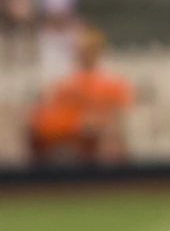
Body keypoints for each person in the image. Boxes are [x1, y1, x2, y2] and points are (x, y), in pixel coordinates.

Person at [27, 26, 134, 165]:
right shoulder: (63, 86)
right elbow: (45, 122)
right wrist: (77, 124)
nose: (85, 54)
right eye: (82, 50)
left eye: (90, 49)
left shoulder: (114, 85)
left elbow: (119, 118)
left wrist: (98, 125)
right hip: (67, 144)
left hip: (98, 146)